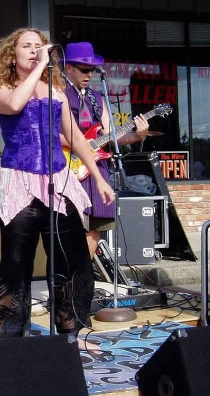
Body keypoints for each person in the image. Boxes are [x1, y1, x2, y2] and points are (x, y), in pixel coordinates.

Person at [0, 28, 114, 343]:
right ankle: (2, 340)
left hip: (57, 180)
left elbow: (74, 136)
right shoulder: (1, 87)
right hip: (21, 181)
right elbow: (15, 105)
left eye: (39, 46)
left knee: (72, 260)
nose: (34, 50)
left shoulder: (55, 90)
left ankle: (71, 334)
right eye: (26, 46)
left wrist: (97, 177)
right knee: (15, 265)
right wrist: (41, 64)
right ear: (11, 55)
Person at [62, 42, 149, 260]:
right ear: (68, 68)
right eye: (84, 69)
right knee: (69, 226)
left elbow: (110, 136)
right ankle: (68, 275)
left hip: (96, 169)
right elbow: (49, 132)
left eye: (91, 70)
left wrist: (138, 135)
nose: (89, 74)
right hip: (67, 164)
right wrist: (78, 143)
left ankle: (81, 273)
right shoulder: (57, 94)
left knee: (95, 225)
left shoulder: (97, 99)